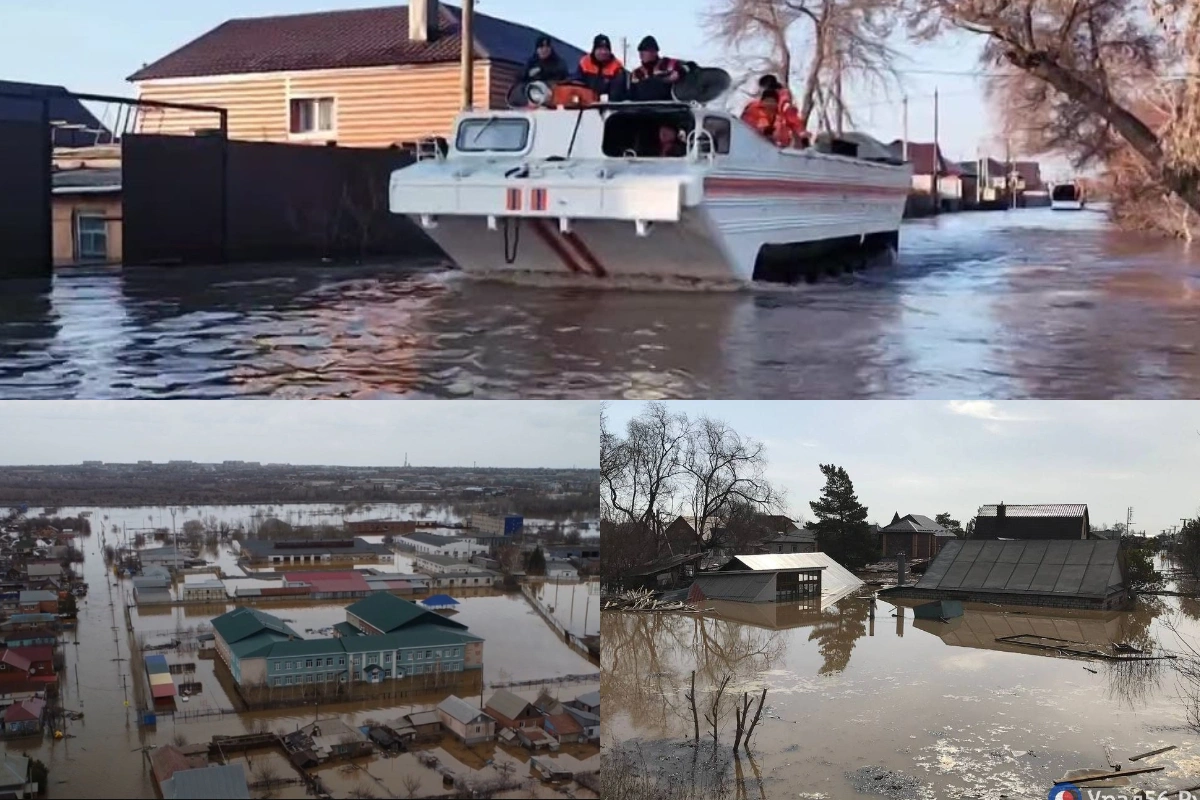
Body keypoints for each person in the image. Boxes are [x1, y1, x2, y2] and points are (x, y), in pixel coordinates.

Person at [741, 88, 809, 148]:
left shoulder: (780, 115)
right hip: (755, 146)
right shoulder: (754, 111)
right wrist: (764, 130)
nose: (770, 104)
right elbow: (749, 124)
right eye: (767, 101)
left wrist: (802, 135)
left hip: (777, 148)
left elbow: (795, 123)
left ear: (777, 103)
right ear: (762, 102)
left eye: (772, 101)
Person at [630, 36, 687, 101]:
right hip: (643, 109)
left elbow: (689, 67)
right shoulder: (636, 73)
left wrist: (679, 73)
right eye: (640, 52)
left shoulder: (668, 64)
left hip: (667, 108)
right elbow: (632, 96)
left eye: (644, 52)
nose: (641, 55)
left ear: (654, 52)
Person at [575, 34, 627, 99]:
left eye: (606, 49)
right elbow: (577, 84)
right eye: (600, 49)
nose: (603, 52)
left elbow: (617, 93)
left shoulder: (617, 67)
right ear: (594, 50)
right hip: (586, 104)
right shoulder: (584, 62)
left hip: (608, 105)